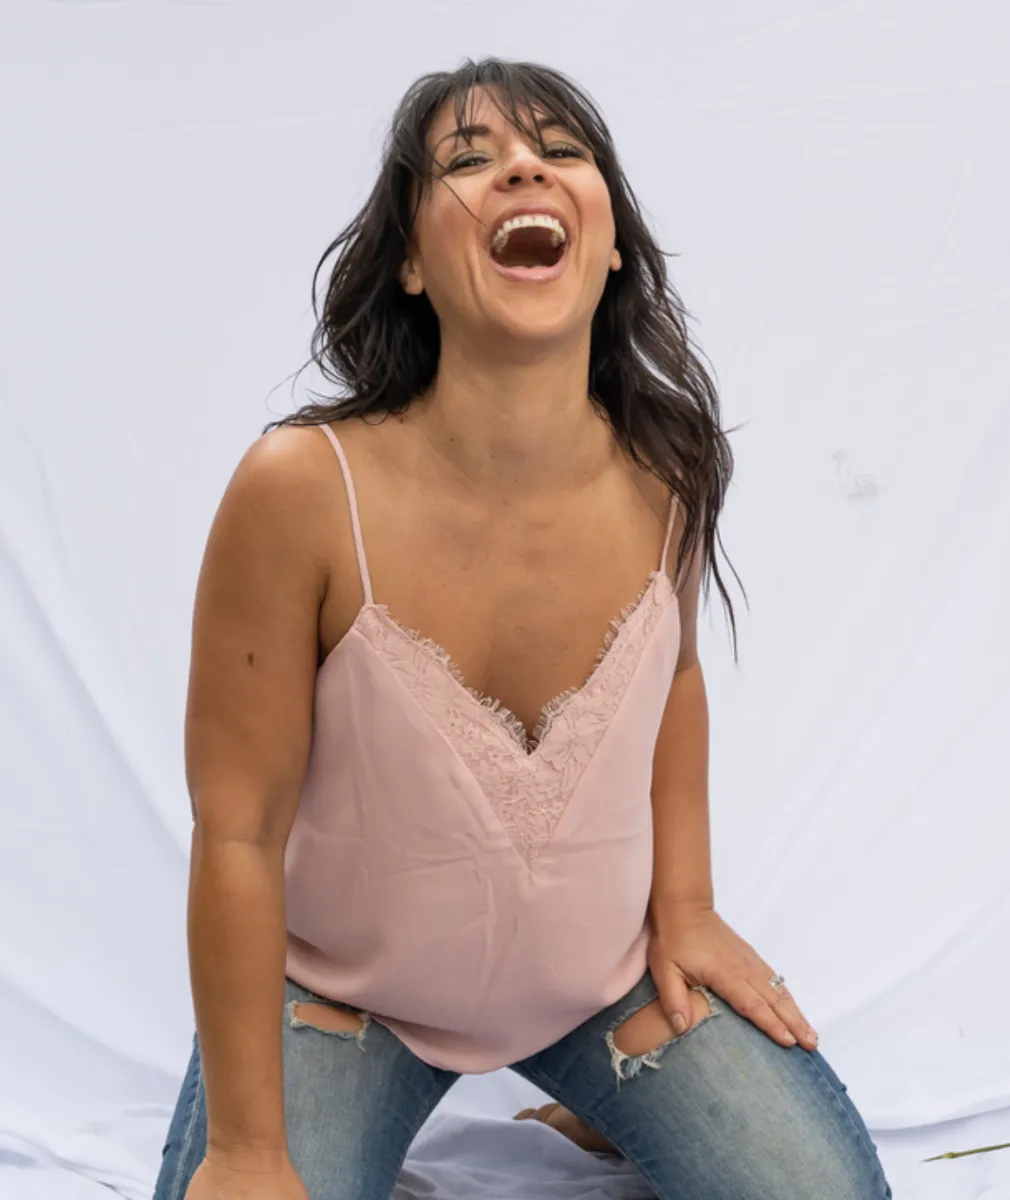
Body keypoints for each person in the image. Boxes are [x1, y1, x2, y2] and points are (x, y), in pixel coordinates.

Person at [154, 56, 893, 1200]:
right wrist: (247, 1150)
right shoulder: (301, 487)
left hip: (604, 985)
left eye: (559, 151)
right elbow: (237, 828)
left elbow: (675, 681)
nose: (521, 169)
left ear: (610, 243)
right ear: (409, 262)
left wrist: (687, 908)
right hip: (348, 996)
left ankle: (605, 1099)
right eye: (468, 159)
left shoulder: (670, 470)